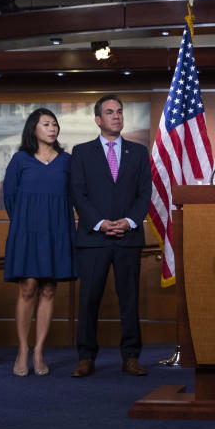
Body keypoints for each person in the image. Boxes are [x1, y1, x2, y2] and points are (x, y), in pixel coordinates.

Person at [69, 94, 151, 378]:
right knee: (88, 299)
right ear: (97, 119)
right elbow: (77, 192)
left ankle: (130, 357)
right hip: (94, 239)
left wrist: (128, 222)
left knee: (129, 299)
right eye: (109, 112)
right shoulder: (81, 152)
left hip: (128, 237)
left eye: (119, 112)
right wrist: (101, 223)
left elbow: (144, 194)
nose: (116, 116)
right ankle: (85, 357)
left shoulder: (139, 153)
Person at [3, 108, 76, 377]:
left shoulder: (67, 161)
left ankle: (39, 351)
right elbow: (10, 198)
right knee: (28, 287)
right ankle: (23, 349)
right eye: (46, 124)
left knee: (48, 289)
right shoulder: (20, 160)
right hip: (27, 232)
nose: (52, 128)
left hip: (57, 230)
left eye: (55, 124)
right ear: (33, 128)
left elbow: (75, 194)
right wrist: (26, 224)